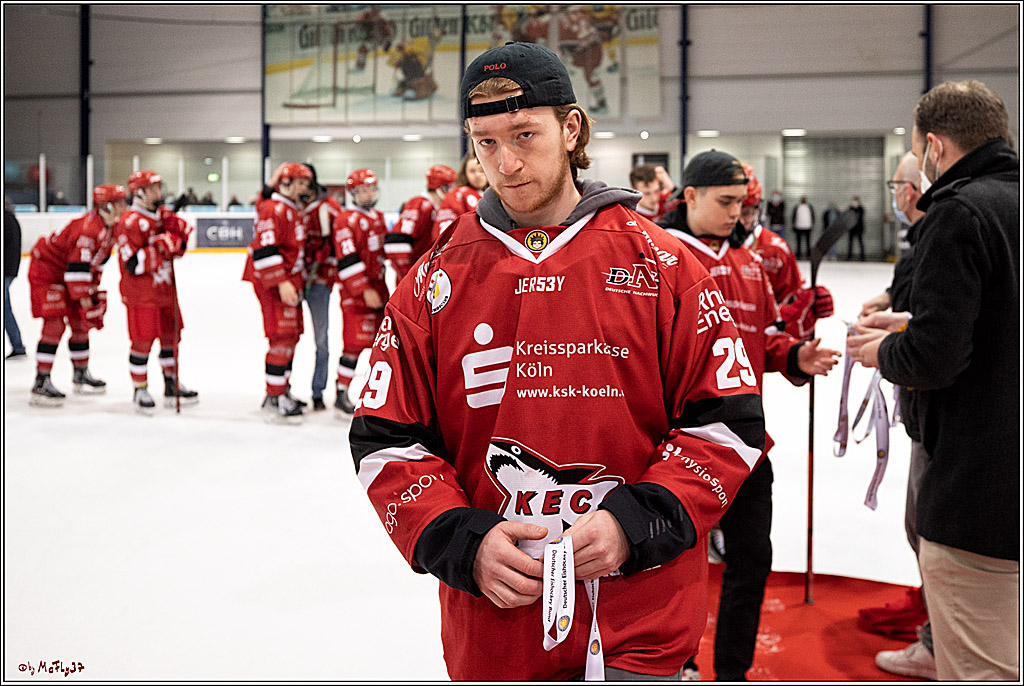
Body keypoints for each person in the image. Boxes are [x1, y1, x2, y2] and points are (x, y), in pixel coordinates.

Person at [350, 41, 768, 681]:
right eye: (484, 142)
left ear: (571, 128)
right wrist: (461, 540)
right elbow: (385, 438)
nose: (506, 162)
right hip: (496, 634)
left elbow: (729, 423)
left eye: (524, 134)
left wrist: (639, 520)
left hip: (642, 627)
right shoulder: (437, 277)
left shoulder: (662, 263)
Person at [848, 80, 1018, 681]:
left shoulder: (959, 212)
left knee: (980, 666)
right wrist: (914, 325)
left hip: (982, 489)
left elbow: (935, 359)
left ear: (935, 148)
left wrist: (885, 350)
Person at [659, 150, 840, 681]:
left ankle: (733, 672)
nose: (737, 214)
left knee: (752, 562)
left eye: (742, 203)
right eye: (725, 202)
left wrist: (794, 354)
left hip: (744, 442)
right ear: (688, 196)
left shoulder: (747, 260)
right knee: (674, 565)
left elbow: (760, 340)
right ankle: (680, 664)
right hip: (676, 449)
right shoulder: (657, 254)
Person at [855, 150, 936, 679]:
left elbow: (939, 334)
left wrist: (888, 345)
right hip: (930, 408)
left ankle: (939, 635)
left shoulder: (949, 228)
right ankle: (935, 616)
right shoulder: (927, 237)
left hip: (946, 412)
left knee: (929, 523)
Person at [25, 186, 127, 405]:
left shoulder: (111, 228)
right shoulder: (88, 229)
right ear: (106, 205)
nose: (123, 207)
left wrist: (91, 290)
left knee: (80, 323)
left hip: (68, 272)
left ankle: (80, 373)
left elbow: (95, 264)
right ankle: (41, 381)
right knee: (55, 325)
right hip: (47, 271)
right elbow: (77, 269)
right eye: (119, 203)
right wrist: (85, 298)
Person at [116, 170, 199, 414]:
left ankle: (171, 383)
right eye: (152, 189)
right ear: (139, 192)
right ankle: (139, 388)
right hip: (141, 293)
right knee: (142, 341)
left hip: (165, 289)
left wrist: (172, 239)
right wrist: (163, 246)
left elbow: (182, 241)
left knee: (170, 338)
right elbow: (133, 263)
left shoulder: (162, 215)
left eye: (158, 188)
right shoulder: (129, 221)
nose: (158, 193)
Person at [242, 162, 312, 423]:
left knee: (291, 336)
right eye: (301, 183)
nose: (305, 189)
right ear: (286, 183)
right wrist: (281, 282)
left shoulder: (291, 208)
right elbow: (264, 250)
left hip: (290, 281)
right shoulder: (274, 208)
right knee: (281, 337)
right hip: (275, 283)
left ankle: (283, 389)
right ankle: (274, 396)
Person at [738, 165, 834, 342]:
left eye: (746, 213)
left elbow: (792, 302)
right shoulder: (698, 248)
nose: (736, 219)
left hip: (757, 349)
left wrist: (808, 305)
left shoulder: (776, 250)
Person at [332, 168, 389, 415]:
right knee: (354, 345)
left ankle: (380, 394)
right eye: (362, 190)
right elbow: (347, 258)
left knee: (385, 343)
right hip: (356, 294)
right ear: (353, 193)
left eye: (371, 189)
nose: (368, 194)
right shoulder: (346, 219)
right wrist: (363, 289)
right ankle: (341, 392)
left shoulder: (377, 216)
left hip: (379, 288)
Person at [299, 164, 342, 412]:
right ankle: (278, 390)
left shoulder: (327, 208)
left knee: (321, 340)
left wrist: (328, 265)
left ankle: (318, 391)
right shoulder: (293, 206)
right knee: (285, 338)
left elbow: (338, 240)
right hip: (293, 281)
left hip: (317, 284)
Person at [385, 164, 456, 283]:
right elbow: (396, 241)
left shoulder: (438, 207)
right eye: (450, 187)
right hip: (416, 279)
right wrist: (410, 275)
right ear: (442, 188)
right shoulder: (420, 204)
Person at [432, 152, 488, 237]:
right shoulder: (456, 195)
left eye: (481, 170)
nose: (477, 175)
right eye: (472, 171)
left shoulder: (495, 194)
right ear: (464, 173)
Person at [4, 198, 27, 359]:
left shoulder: (5, 220)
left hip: (5, 270)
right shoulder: (10, 219)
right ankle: (18, 345)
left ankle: (18, 346)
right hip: (9, 269)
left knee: (5, 309)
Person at [847, 195, 865, 260]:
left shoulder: (861, 208)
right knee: (850, 243)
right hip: (851, 228)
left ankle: (862, 256)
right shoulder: (850, 208)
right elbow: (848, 216)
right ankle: (849, 256)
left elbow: (860, 216)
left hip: (859, 228)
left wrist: (857, 207)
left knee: (860, 242)